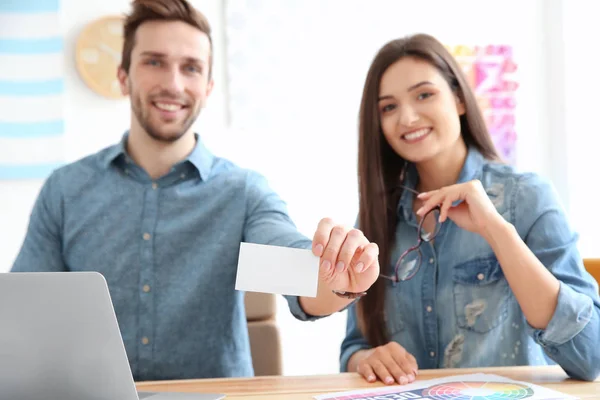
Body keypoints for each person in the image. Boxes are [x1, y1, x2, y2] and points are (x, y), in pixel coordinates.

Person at [10, 0, 381, 382]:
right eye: (154, 61)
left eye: (191, 67)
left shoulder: (243, 192)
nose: (173, 84)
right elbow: (22, 315)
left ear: (208, 86)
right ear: (123, 76)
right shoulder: (66, 190)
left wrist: (335, 279)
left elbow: (301, 278)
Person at [339, 33, 600, 385]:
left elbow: (590, 355)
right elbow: (354, 347)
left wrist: (496, 228)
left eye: (424, 95)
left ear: (460, 99)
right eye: (389, 107)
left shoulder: (527, 198)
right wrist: (369, 358)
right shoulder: (376, 216)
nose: (408, 117)